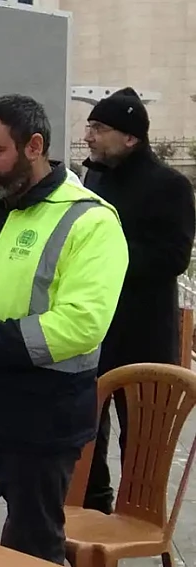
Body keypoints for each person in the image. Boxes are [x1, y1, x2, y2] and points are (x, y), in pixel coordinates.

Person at [0, 94, 128, 564]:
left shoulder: (90, 219)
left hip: (40, 421)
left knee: (32, 554)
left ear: (34, 146)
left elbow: (80, 325)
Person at [80, 87, 196, 514]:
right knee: (87, 432)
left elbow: (173, 257)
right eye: (90, 126)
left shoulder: (169, 185)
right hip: (94, 328)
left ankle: (138, 518)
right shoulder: (95, 179)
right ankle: (92, 509)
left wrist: (106, 254)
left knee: (142, 440)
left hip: (145, 334)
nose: (89, 136)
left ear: (131, 137)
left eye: (99, 128)